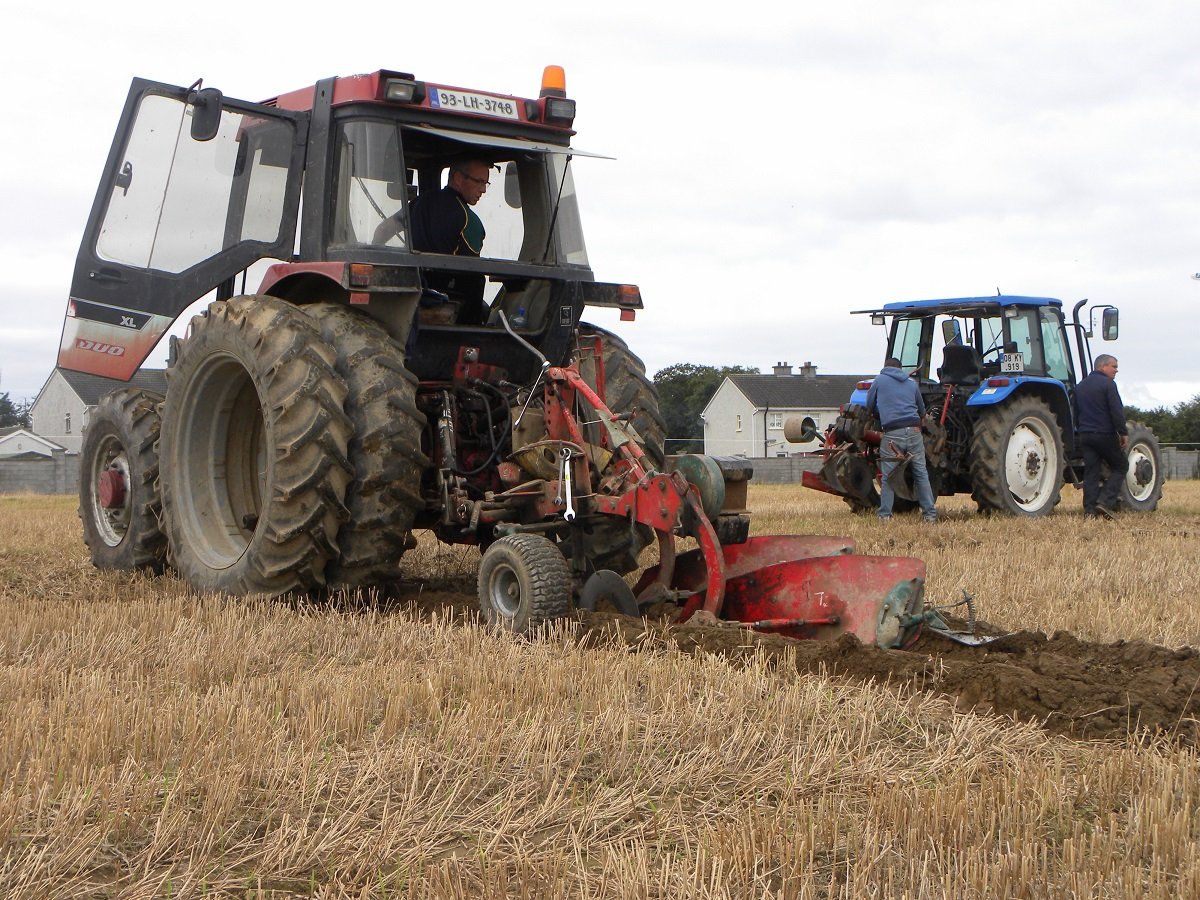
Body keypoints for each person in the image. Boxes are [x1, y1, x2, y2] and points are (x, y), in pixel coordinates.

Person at [374, 158, 492, 323]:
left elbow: (383, 229)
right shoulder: (470, 222)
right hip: (449, 305)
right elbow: (471, 274)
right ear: (458, 178)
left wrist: (375, 256)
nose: (483, 190)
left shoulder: (420, 202)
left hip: (412, 294)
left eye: (486, 183)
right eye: (479, 182)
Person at [865, 357, 938, 522]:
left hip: (892, 434)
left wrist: (880, 411)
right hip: (913, 431)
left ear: (886, 367)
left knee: (889, 476)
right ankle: (930, 515)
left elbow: (868, 406)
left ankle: (885, 516)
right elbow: (921, 411)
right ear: (900, 368)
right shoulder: (912, 383)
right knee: (921, 473)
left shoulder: (879, 381)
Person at [1075, 354, 1128, 519]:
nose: (1116, 370)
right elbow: (1116, 411)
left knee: (1091, 472)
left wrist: (1081, 429)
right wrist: (1123, 432)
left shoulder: (1080, 386)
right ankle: (1105, 502)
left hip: (1085, 435)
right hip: (1104, 434)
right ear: (1102, 366)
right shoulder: (1108, 385)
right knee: (1121, 466)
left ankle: (1089, 510)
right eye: (1114, 366)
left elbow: (1075, 413)